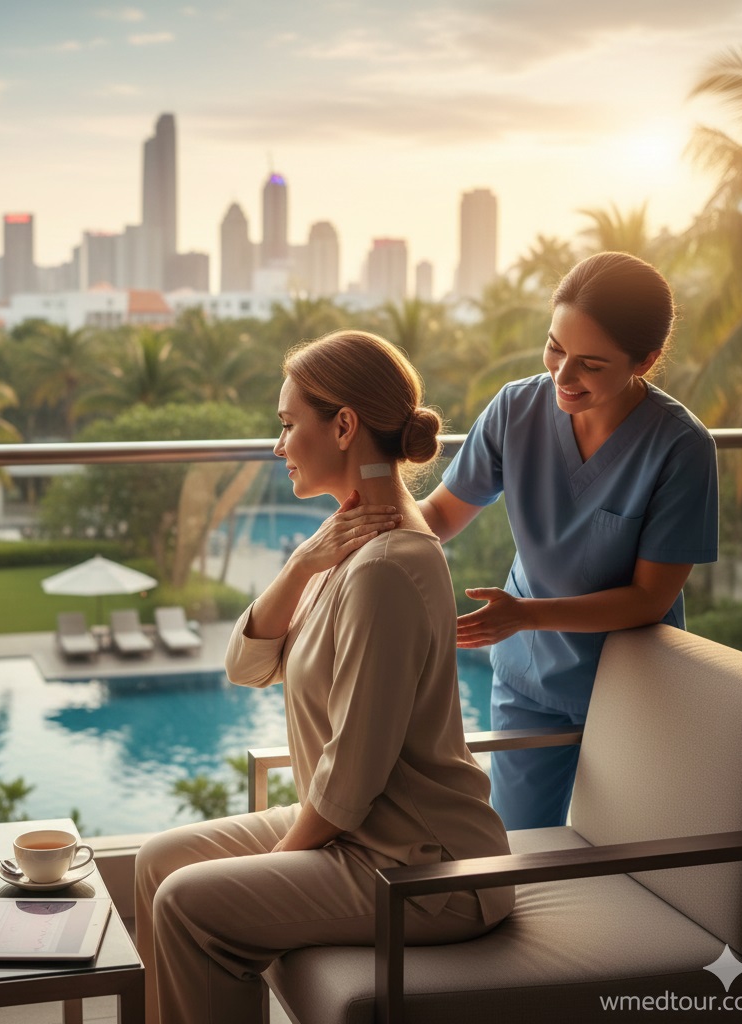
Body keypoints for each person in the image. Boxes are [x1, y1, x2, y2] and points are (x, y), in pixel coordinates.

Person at [135, 330, 513, 1024]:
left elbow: (349, 783)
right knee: (158, 860)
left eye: (286, 425)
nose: (277, 446)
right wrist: (303, 561)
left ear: (343, 426)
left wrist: (273, 864)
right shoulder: (344, 546)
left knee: (188, 904)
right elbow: (247, 667)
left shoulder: (386, 569)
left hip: (425, 866)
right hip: (362, 835)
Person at [418, 251, 719, 831]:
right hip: (528, 681)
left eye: (591, 364)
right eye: (555, 347)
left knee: (625, 851)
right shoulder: (516, 408)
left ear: (645, 361)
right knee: (520, 846)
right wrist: (360, 527)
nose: (563, 375)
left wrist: (525, 616)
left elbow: (648, 599)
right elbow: (441, 515)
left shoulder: (681, 448)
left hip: (633, 685)